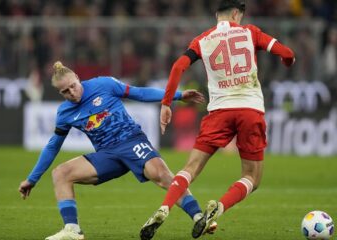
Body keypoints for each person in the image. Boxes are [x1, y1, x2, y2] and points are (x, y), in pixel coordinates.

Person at [140, 0, 296, 239]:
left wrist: (166, 103)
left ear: (217, 14)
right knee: (252, 178)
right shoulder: (251, 32)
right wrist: (288, 61)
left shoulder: (202, 40)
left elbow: (178, 67)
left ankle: (165, 207)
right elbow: (287, 53)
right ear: (236, 13)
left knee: (189, 169)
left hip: (219, 111)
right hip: (249, 110)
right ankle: (219, 207)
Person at [18, 61, 214, 240]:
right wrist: (32, 179)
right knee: (61, 173)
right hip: (106, 155)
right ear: (61, 94)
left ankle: (199, 217)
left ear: (78, 78)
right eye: (65, 92)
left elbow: (139, 93)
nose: (72, 93)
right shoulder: (64, 113)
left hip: (131, 141)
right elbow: (53, 146)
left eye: (73, 86)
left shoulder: (103, 84)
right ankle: (72, 230)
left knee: (161, 174)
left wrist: (177, 96)